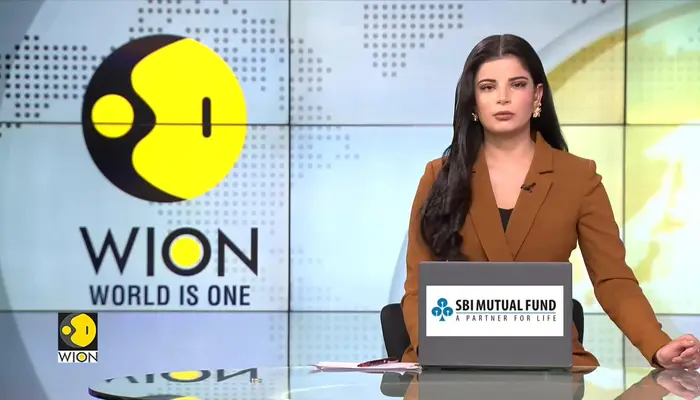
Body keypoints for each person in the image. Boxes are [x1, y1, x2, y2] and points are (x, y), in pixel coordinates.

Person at [400, 34, 700, 369]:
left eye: (517, 85)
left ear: (537, 95)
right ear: (472, 102)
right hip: (452, 361)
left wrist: (658, 345)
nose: (502, 97)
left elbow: (612, 279)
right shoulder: (438, 176)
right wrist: (431, 348)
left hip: (549, 364)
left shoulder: (579, 178)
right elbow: (417, 286)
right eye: (487, 87)